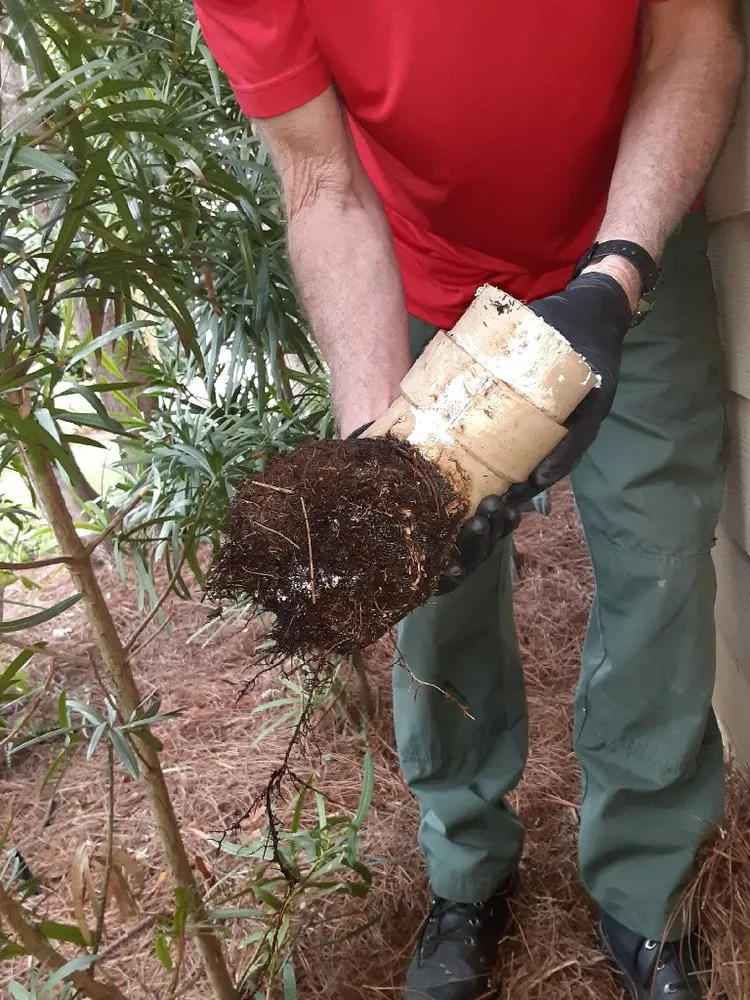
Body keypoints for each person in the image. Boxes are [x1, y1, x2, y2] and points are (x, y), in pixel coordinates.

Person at [194, 2, 743, 997]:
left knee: (660, 557)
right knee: (436, 596)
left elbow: (692, 39)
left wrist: (611, 282)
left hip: (633, 223)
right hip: (424, 266)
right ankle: (465, 871)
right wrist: (377, 459)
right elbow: (322, 180)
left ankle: (646, 889)